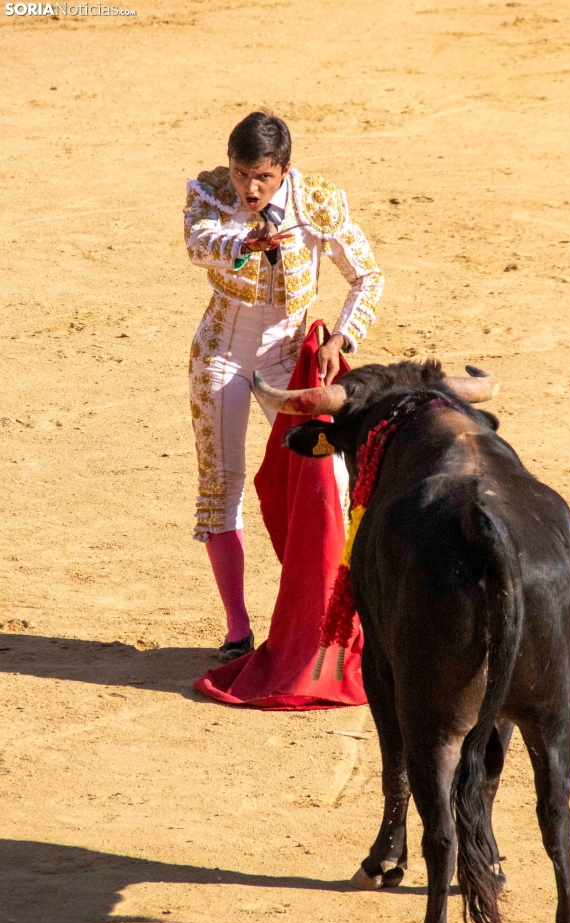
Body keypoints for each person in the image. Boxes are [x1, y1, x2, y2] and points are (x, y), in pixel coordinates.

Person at [184, 110, 384, 662]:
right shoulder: (209, 193)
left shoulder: (317, 202)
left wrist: (341, 339)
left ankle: (331, 615)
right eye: (241, 172)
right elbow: (199, 243)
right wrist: (246, 242)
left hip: (288, 362)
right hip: (221, 352)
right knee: (221, 485)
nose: (248, 187)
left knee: (331, 478)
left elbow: (368, 275)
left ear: (284, 171)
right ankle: (237, 628)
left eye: (262, 177)